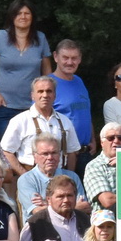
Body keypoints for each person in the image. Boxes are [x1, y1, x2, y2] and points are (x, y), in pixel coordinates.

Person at [0, 0, 50, 137]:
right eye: (18, 13)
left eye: (27, 13)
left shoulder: (40, 38)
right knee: (8, 151)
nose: (23, 17)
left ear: (32, 17)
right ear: (12, 16)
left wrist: (45, 96)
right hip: (5, 106)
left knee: (34, 150)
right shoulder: (0, 37)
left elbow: (48, 72)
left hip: (33, 107)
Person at [0, 75, 81, 173]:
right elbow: (6, 151)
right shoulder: (20, 121)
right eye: (40, 91)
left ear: (55, 95)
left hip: (60, 177)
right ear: (32, 95)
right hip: (30, 175)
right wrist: (25, 176)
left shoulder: (65, 121)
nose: (45, 95)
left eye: (49, 91)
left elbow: (72, 152)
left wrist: (69, 176)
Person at [46, 39, 93, 169]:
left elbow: (85, 112)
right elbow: (41, 119)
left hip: (85, 152)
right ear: (55, 57)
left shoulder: (79, 81)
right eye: (65, 58)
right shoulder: (48, 84)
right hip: (62, 154)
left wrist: (93, 140)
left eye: (74, 58)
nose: (70, 62)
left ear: (80, 59)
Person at [16, 136, 89, 219]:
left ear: (59, 155)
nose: (50, 157)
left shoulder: (72, 177)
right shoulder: (26, 180)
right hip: (40, 228)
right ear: (35, 156)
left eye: (54, 153)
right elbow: (39, 212)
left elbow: (84, 207)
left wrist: (47, 204)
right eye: (45, 154)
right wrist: (72, 207)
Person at [82, 125, 121, 210]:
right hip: (108, 221)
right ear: (102, 143)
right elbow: (107, 200)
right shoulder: (94, 166)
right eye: (111, 138)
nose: (116, 141)